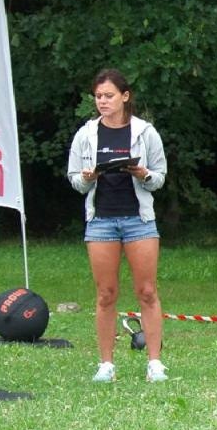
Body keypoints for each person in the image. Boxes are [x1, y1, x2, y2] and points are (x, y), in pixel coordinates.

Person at [66, 69, 169, 383]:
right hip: (101, 222)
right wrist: (85, 178)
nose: (102, 101)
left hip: (139, 220)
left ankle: (155, 363)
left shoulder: (145, 132)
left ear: (125, 96)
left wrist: (142, 174)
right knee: (105, 294)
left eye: (109, 95)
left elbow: (159, 178)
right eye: (98, 96)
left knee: (147, 291)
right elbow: (74, 180)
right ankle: (106, 364)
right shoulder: (85, 134)